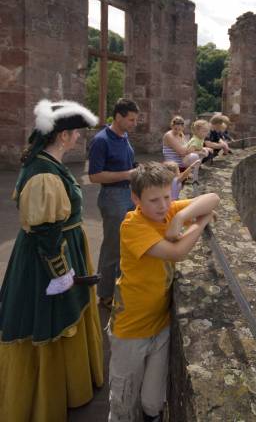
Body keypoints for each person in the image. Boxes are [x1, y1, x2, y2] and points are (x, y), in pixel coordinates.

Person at [0, 99, 103, 422]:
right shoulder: (44, 174)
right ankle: (41, 400)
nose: (78, 139)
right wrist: (62, 274)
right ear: (63, 136)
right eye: (76, 134)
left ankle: (67, 387)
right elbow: (45, 233)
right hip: (48, 261)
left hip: (63, 248)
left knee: (64, 315)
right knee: (48, 317)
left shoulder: (48, 164)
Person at [108, 162, 220, 422]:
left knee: (153, 400)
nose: (163, 205)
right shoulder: (132, 226)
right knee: (124, 401)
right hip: (131, 330)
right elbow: (177, 253)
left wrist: (181, 217)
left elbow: (212, 197)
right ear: (135, 198)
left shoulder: (169, 213)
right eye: (154, 200)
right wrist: (200, 223)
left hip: (161, 325)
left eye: (168, 196)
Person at [89, 97, 139, 309]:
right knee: (112, 247)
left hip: (128, 195)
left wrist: (137, 170)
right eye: (131, 120)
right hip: (112, 197)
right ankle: (105, 294)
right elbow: (94, 176)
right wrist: (128, 173)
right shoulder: (101, 140)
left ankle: (119, 289)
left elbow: (128, 164)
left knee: (126, 244)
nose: (134, 124)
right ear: (118, 117)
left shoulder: (124, 135)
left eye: (135, 120)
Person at [162, 115, 202, 181]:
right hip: (173, 166)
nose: (177, 131)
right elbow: (182, 152)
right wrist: (191, 147)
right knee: (194, 156)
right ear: (171, 126)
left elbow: (188, 146)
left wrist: (197, 149)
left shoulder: (181, 134)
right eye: (175, 129)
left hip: (182, 162)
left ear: (183, 128)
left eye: (179, 129)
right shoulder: (169, 135)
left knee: (201, 153)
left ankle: (187, 173)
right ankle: (184, 174)